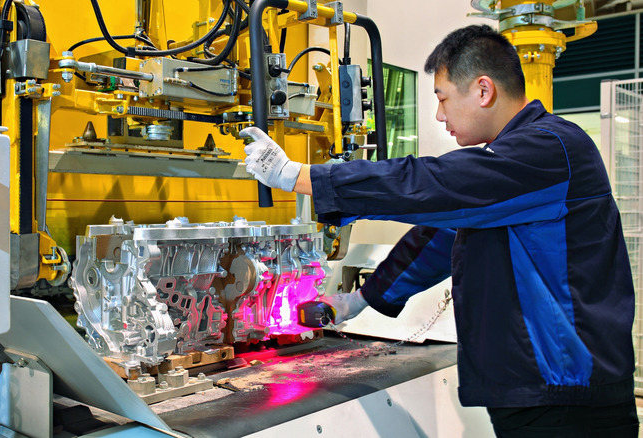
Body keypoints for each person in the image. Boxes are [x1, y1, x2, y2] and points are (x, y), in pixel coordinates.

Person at [239, 24, 639, 437]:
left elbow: (428, 184)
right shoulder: (513, 169)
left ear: (483, 91)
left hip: (569, 403)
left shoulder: (550, 150)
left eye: (443, 98)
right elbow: (435, 238)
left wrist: (299, 176)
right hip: (534, 396)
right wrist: (358, 300)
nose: (439, 115)